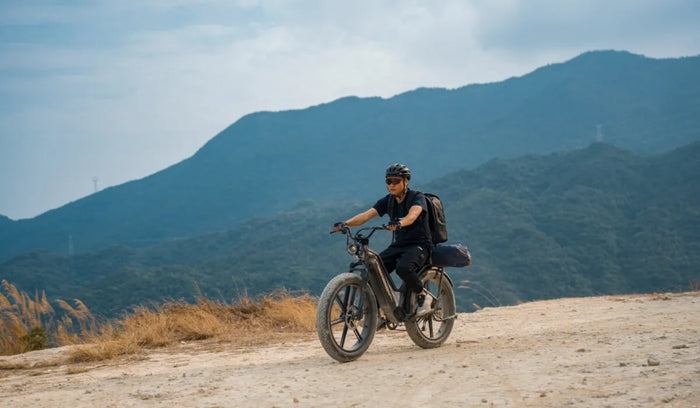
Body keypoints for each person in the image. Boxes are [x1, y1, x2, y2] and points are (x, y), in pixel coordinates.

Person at [333, 163, 434, 316]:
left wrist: (400, 223)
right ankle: (377, 312)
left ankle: (422, 296)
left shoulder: (417, 197)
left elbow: (413, 215)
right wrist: (345, 224)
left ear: (405, 182)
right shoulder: (389, 201)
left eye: (396, 181)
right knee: (375, 270)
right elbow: (366, 216)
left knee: (403, 268)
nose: (391, 185)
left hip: (419, 245)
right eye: (388, 181)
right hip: (399, 245)